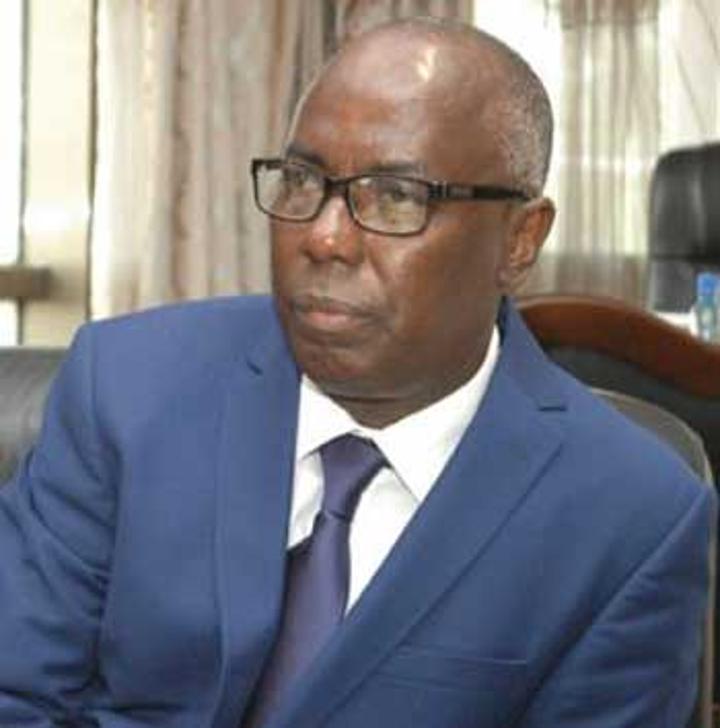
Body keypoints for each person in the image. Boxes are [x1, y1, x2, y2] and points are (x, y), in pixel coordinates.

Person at [0, 17, 714, 728]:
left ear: (519, 241)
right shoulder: (127, 388)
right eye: (302, 181)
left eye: (396, 196)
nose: (324, 237)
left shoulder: (631, 517)